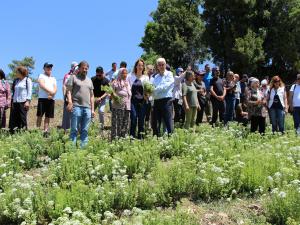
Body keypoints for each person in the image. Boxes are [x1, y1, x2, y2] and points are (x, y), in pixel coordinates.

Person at [66, 61, 95, 148]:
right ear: (79, 68)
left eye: (86, 69)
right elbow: (68, 91)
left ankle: (83, 150)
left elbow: (92, 96)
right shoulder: (73, 77)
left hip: (87, 108)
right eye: (83, 68)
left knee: (85, 131)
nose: (85, 70)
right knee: (74, 130)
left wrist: (92, 110)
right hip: (76, 107)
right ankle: (72, 150)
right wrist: (70, 102)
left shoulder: (89, 80)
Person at [151, 58, 174, 136]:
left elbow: (166, 86)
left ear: (165, 64)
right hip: (157, 101)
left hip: (166, 101)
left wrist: (155, 90)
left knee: (168, 121)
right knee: (156, 123)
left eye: (162, 64)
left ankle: (171, 139)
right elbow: (152, 88)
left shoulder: (169, 74)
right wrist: (154, 90)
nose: (161, 66)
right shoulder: (155, 77)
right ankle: (156, 140)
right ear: (157, 66)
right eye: (159, 65)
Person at [127, 59, 149, 139]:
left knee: (141, 120)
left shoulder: (146, 78)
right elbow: (127, 87)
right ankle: (131, 138)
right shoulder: (130, 76)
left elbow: (148, 89)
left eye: (142, 65)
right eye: (139, 65)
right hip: (133, 101)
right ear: (136, 66)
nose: (140, 67)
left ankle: (141, 138)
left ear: (144, 67)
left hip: (142, 101)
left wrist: (147, 94)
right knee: (133, 118)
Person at [9, 66, 32, 133]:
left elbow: (29, 91)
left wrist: (28, 101)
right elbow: (13, 91)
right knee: (14, 118)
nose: (16, 73)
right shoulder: (16, 80)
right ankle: (13, 133)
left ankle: (24, 133)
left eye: (17, 72)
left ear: (21, 72)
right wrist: (12, 101)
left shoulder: (27, 80)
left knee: (22, 118)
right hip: (15, 101)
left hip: (23, 102)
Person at [36, 63, 57, 136]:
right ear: (44, 68)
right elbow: (42, 85)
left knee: (48, 116)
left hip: (51, 99)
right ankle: (37, 130)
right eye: (47, 67)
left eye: (50, 67)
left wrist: (52, 94)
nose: (49, 68)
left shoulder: (53, 78)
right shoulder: (41, 76)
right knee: (40, 115)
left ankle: (45, 130)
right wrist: (50, 92)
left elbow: (55, 88)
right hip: (42, 98)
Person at [111, 68, 131, 140]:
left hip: (127, 106)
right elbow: (110, 93)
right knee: (117, 124)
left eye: (126, 73)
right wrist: (115, 97)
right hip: (118, 106)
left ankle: (123, 139)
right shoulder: (115, 82)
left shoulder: (128, 83)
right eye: (123, 73)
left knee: (125, 124)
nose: (125, 75)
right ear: (119, 73)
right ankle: (115, 140)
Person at [61, 61, 78, 132]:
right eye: (76, 67)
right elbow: (64, 86)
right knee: (67, 114)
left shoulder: (79, 76)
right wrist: (65, 97)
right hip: (68, 98)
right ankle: (66, 130)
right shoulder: (67, 76)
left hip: (76, 98)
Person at [91, 66, 109, 130]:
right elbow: (90, 89)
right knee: (91, 112)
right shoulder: (92, 79)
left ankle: (101, 126)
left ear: (102, 73)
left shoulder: (106, 81)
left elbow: (107, 92)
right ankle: (91, 126)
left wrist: (101, 98)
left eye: (100, 75)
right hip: (93, 97)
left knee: (101, 111)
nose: (98, 76)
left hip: (102, 98)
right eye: (97, 75)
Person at [145, 64, 154, 130]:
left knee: (150, 113)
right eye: (150, 69)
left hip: (151, 99)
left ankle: (149, 127)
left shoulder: (153, 79)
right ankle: (144, 127)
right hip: (144, 99)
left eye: (152, 69)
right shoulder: (144, 77)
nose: (152, 71)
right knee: (145, 114)